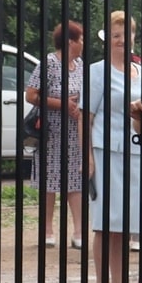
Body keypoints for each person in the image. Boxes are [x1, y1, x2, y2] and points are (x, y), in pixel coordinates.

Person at [83, 9, 142, 283]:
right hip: (106, 150)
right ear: (107, 38)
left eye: (127, 34)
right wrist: (88, 157)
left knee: (126, 223)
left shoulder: (140, 71)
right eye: (117, 34)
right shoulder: (97, 71)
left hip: (135, 151)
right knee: (105, 222)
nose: (123, 40)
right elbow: (86, 116)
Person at [35, 21, 86, 249]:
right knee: (50, 181)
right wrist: (62, 104)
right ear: (69, 42)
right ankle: (47, 229)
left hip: (75, 132)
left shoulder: (81, 65)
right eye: (81, 39)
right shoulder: (49, 63)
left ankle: (78, 230)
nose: (83, 44)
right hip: (52, 132)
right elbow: (31, 94)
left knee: (74, 180)